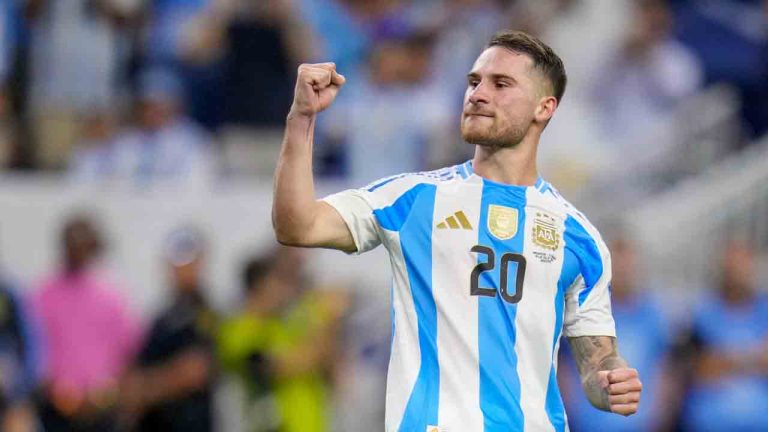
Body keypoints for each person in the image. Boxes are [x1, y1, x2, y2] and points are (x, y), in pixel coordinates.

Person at [272, 29, 642, 430]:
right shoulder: (412, 199)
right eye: (474, 81)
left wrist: (611, 382)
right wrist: (302, 118)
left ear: (544, 108)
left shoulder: (578, 237)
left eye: (501, 84)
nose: (478, 94)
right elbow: (299, 225)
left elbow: (597, 362)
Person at [31, 215, 142, 432]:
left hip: (103, 408)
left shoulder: (112, 296)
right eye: (73, 243)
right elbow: (34, 353)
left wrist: (109, 392)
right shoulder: (43, 295)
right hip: (56, 408)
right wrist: (55, 389)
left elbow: (128, 353)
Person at [218, 246, 345, 432]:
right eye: (280, 282)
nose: (287, 290)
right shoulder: (236, 331)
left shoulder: (284, 325)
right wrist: (328, 322)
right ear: (261, 286)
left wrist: (330, 325)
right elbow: (280, 366)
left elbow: (329, 368)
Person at [560, 236, 674, 431]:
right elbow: (563, 368)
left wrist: (660, 418)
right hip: (586, 426)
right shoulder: (583, 312)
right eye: (616, 263)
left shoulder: (654, 316)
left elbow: (665, 372)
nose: (622, 270)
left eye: (627, 263)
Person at [120, 227, 217, 432]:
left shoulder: (205, 315)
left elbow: (192, 373)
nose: (181, 270)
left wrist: (145, 389)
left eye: (188, 262)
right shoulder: (163, 318)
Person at [678, 240, 768, 431]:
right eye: (731, 266)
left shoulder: (764, 311)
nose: (737, 272)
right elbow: (701, 369)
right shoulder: (701, 313)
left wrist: (724, 359)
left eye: (742, 264)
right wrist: (752, 358)